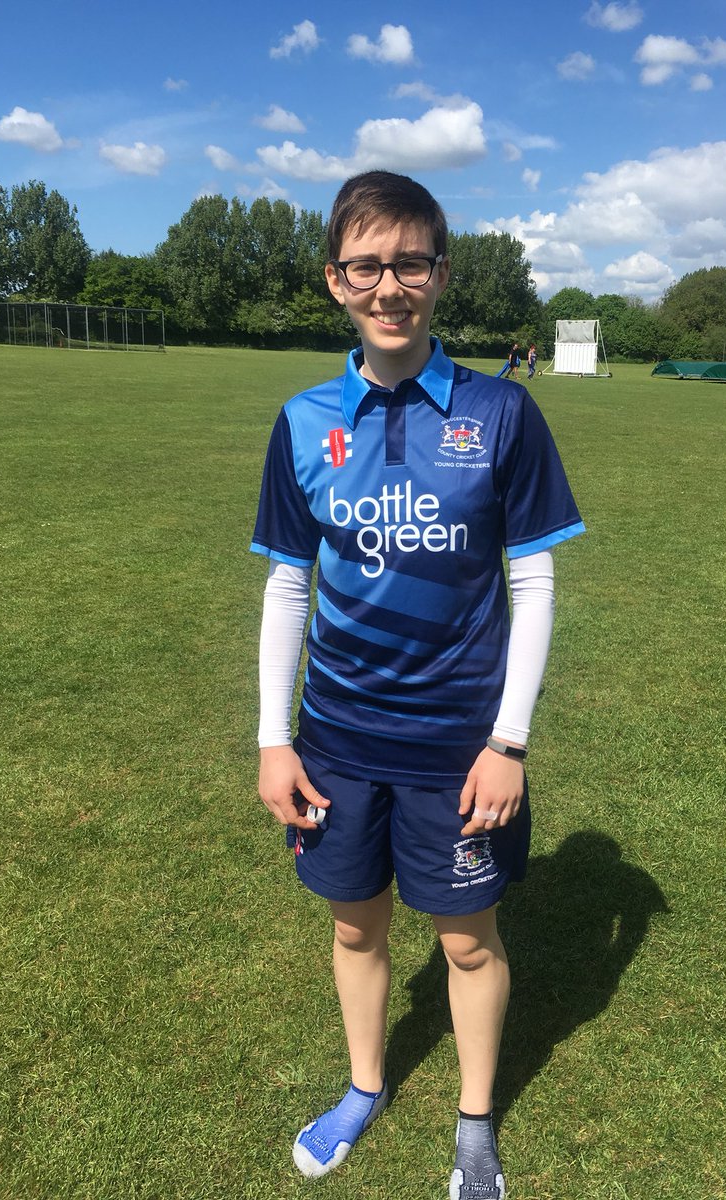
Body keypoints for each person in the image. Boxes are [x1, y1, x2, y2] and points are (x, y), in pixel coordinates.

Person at [251, 170, 584, 1198]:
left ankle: (475, 1125)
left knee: (468, 942)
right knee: (355, 924)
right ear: (334, 279)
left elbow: (532, 580)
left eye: (408, 262)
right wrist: (274, 737)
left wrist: (509, 741)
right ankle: (363, 1086)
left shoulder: (501, 412)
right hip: (339, 739)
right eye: (366, 264)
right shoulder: (304, 420)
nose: (388, 284)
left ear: (439, 274)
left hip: (459, 748)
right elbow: (287, 582)